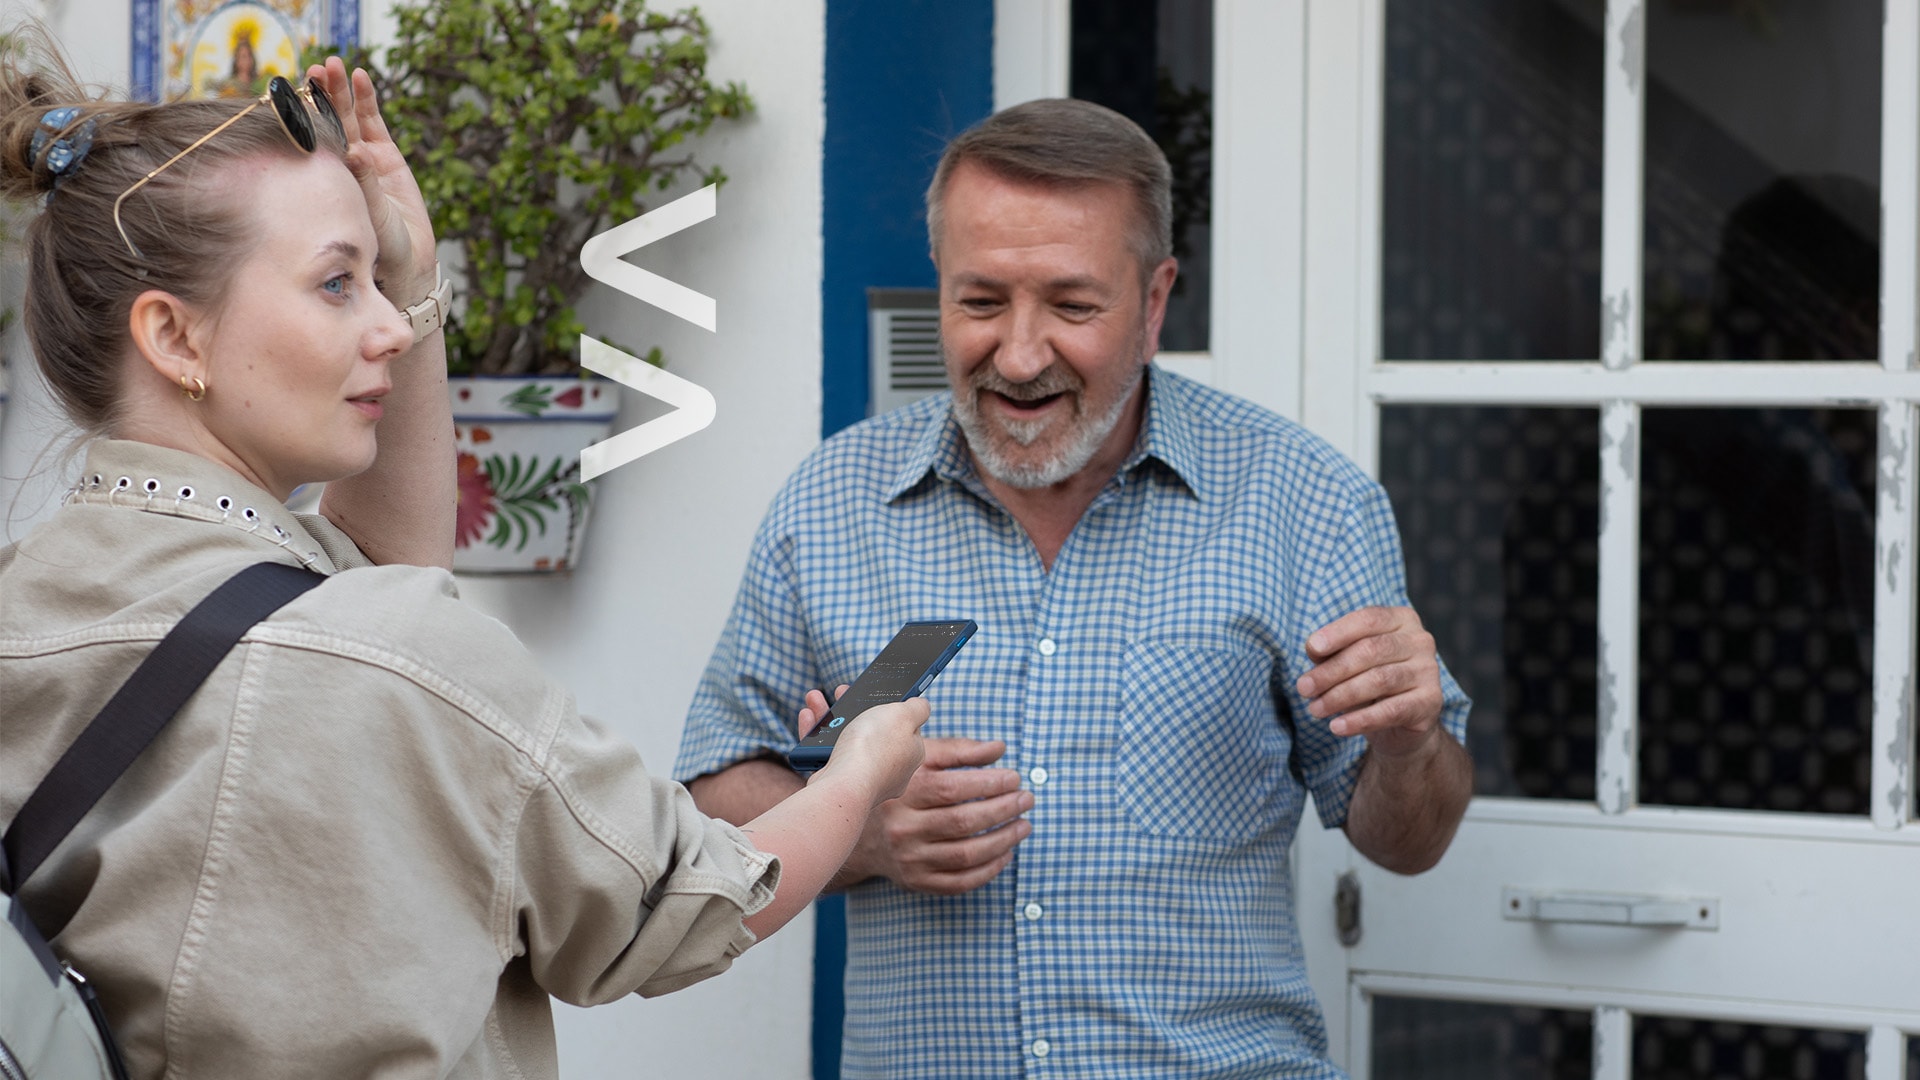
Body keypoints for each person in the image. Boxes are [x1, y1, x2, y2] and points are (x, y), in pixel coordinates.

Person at [0, 34, 927, 1079]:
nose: (393, 326)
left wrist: (411, 275)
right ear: (175, 339)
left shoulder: (31, 609)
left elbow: (366, 573)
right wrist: (859, 774)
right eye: (338, 285)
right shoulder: (390, 658)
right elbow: (678, 900)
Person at [674, 98, 1474, 1079]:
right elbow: (714, 794)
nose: (1018, 353)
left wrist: (1409, 739)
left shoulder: (1307, 503)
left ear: (1156, 300)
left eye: (1072, 305)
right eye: (979, 301)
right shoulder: (830, 503)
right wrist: (861, 830)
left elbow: (1408, 840)